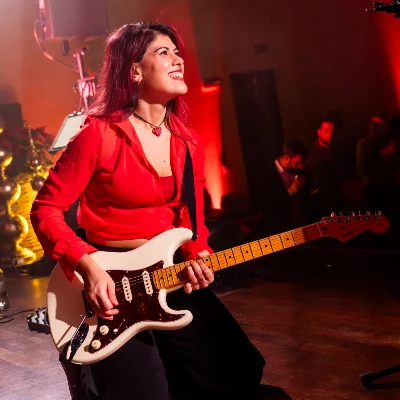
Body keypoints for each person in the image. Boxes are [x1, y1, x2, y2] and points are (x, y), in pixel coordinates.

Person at [30, 22, 265, 400]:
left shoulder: (187, 142)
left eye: (178, 52)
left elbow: (191, 220)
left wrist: (196, 253)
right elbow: (45, 210)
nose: (179, 60)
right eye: (164, 52)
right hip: (110, 281)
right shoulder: (98, 134)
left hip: (168, 271)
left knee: (239, 368)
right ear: (134, 70)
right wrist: (88, 268)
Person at [260, 140, 307, 235]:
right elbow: (270, 206)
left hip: (300, 225)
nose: (300, 166)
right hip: (281, 229)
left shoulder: (297, 170)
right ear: (286, 158)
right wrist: (292, 190)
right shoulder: (267, 174)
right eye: (297, 163)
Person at [303, 119, 345, 222]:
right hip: (320, 205)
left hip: (336, 201)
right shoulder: (311, 154)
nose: (330, 134)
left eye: (331, 131)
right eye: (326, 130)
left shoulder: (335, 150)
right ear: (319, 132)